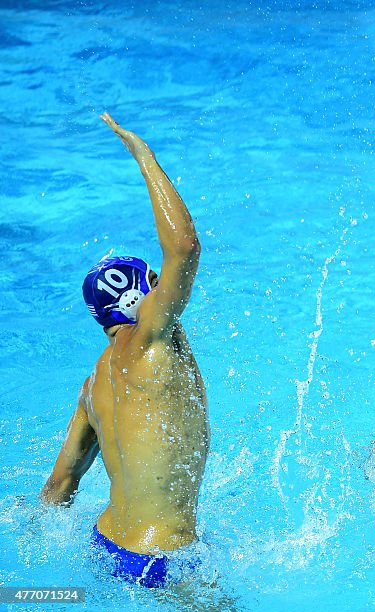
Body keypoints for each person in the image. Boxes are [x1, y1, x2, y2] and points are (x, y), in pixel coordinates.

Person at [40, 113, 208, 587]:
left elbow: (58, 488)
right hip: (166, 559)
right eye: (157, 286)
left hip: (107, 545)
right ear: (144, 296)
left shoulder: (94, 385)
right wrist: (144, 156)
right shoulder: (152, 336)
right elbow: (185, 247)